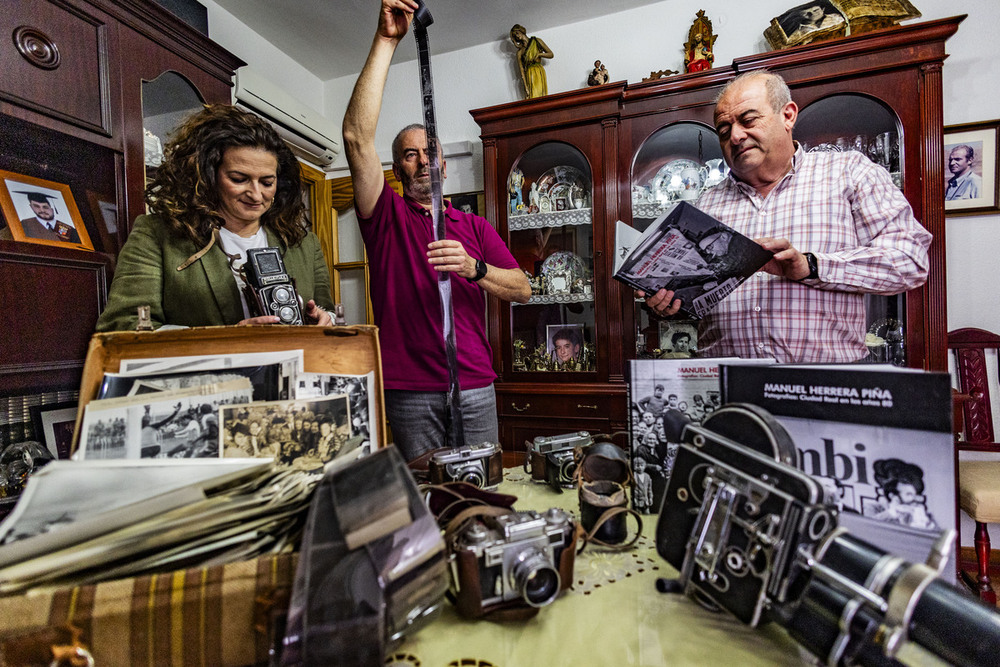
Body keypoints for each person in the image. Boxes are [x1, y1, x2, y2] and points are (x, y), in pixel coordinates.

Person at [342, 0, 531, 462]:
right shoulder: (384, 216)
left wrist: (473, 267)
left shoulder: (474, 226)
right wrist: (387, 40)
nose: (423, 159)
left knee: (482, 490)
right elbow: (354, 137)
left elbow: (522, 289)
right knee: (426, 499)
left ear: (445, 164)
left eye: (431, 152)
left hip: (474, 383)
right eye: (410, 153)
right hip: (410, 390)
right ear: (397, 167)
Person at [641, 70, 930, 363]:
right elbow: (694, 296)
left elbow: (911, 261)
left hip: (824, 389)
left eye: (748, 120)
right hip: (729, 389)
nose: (736, 136)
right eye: (724, 130)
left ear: (788, 116)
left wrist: (812, 266)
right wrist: (667, 303)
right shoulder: (703, 206)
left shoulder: (850, 172)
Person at [95, 105, 335, 332]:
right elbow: (123, 325)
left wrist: (324, 319)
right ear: (209, 176)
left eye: (267, 182)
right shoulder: (157, 235)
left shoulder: (304, 244)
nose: (255, 194)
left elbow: (329, 313)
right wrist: (225, 339)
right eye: (239, 179)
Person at [15, 191, 81, 244]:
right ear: (31, 207)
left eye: (45, 207)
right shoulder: (25, 225)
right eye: (36, 206)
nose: (42, 210)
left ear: (52, 209)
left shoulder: (69, 230)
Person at [510, 23, 553, 99]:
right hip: (529, 73)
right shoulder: (520, 52)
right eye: (514, 35)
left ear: (521, 31)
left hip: (539, 70)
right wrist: (525, 87)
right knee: (533, 95)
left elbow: (551, 54)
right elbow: (522, 71)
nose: (517, 36)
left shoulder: (537, 41)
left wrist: (539, 54)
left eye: (517, 33)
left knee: (541, 94)